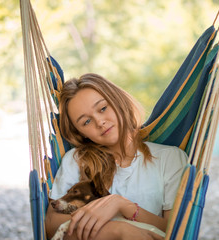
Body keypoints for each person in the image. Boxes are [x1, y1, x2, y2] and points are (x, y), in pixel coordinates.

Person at [45, 73, 188, 240]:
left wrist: (122, 205)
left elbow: (178, 230)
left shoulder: (170, 158)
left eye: (103, 108)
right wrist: (118, 231)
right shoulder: (77, 160)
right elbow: (51, 223)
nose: (99, 122)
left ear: (118, 101)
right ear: (80, 133)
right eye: (86, 122)